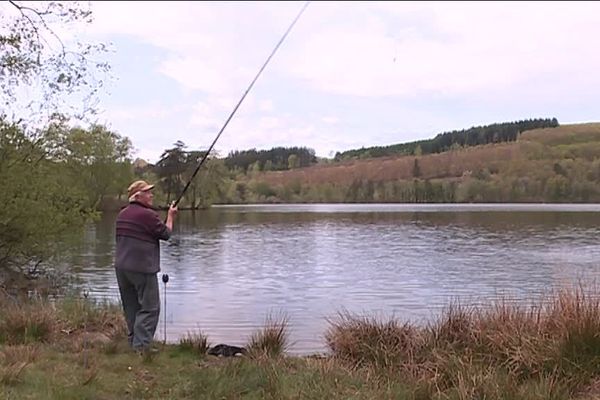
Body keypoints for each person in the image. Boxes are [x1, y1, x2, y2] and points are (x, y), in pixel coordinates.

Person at [114, 180, 177, 353]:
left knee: (131, 307)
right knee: (150, 308)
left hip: (121, 268)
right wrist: (170, 216)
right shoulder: (148, 215)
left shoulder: (122, 214)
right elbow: (166, 234)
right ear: (137, 196)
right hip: (142, 268)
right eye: (148, 192)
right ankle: (141, 348)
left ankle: (135, 343)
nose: (151, 195)